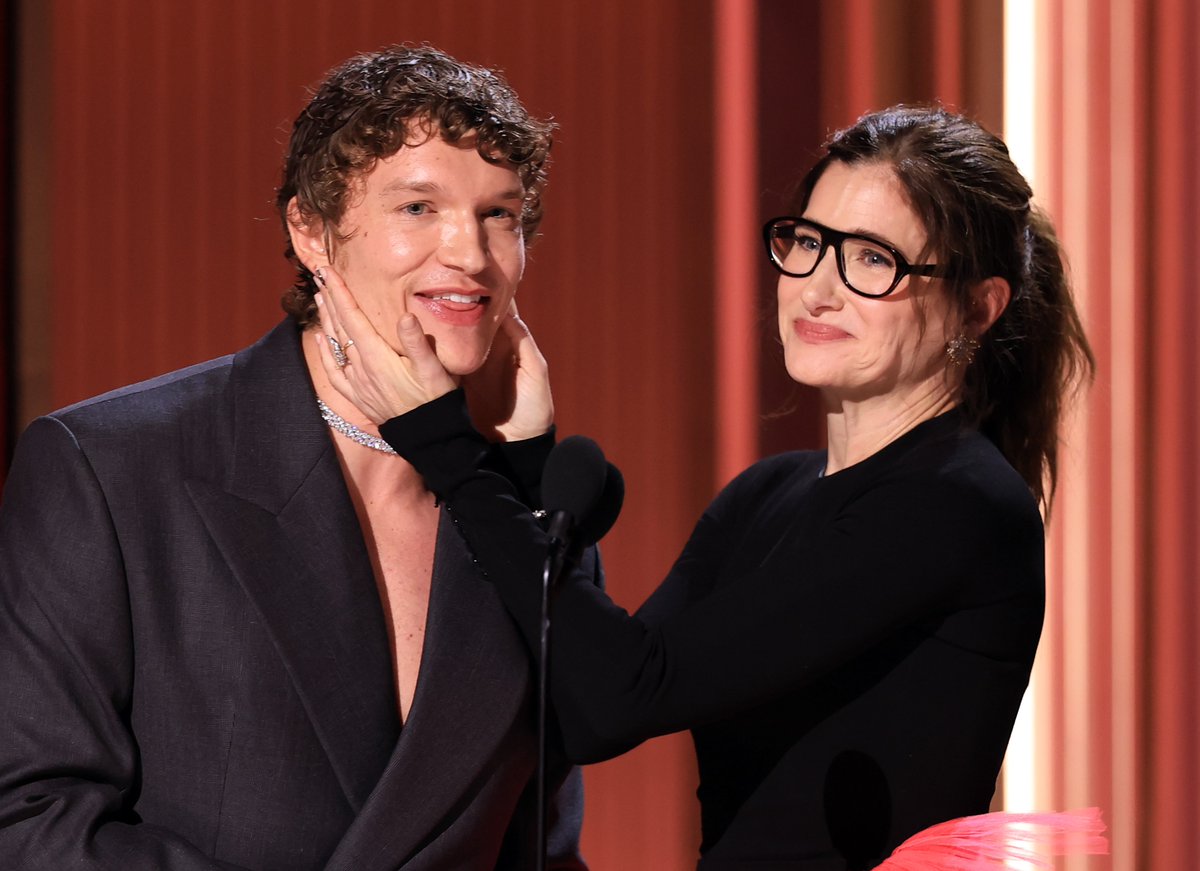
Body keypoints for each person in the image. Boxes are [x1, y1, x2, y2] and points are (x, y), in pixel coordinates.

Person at [313, 104, 1104, 870]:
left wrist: (449, 451)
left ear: (979, 306)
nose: (817, 290)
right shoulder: (768, 495)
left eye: (872, 259)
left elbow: (629, 690)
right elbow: (587, 704)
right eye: (809, 243)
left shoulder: (955, 502)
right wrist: (522, 461)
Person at [0, 45, 589, 870]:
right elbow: (32, 819)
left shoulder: (529, 499)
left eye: (501, 214)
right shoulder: (109, 467)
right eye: (418, 207)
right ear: (309, 230)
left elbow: (544, 839)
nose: (471, 252)